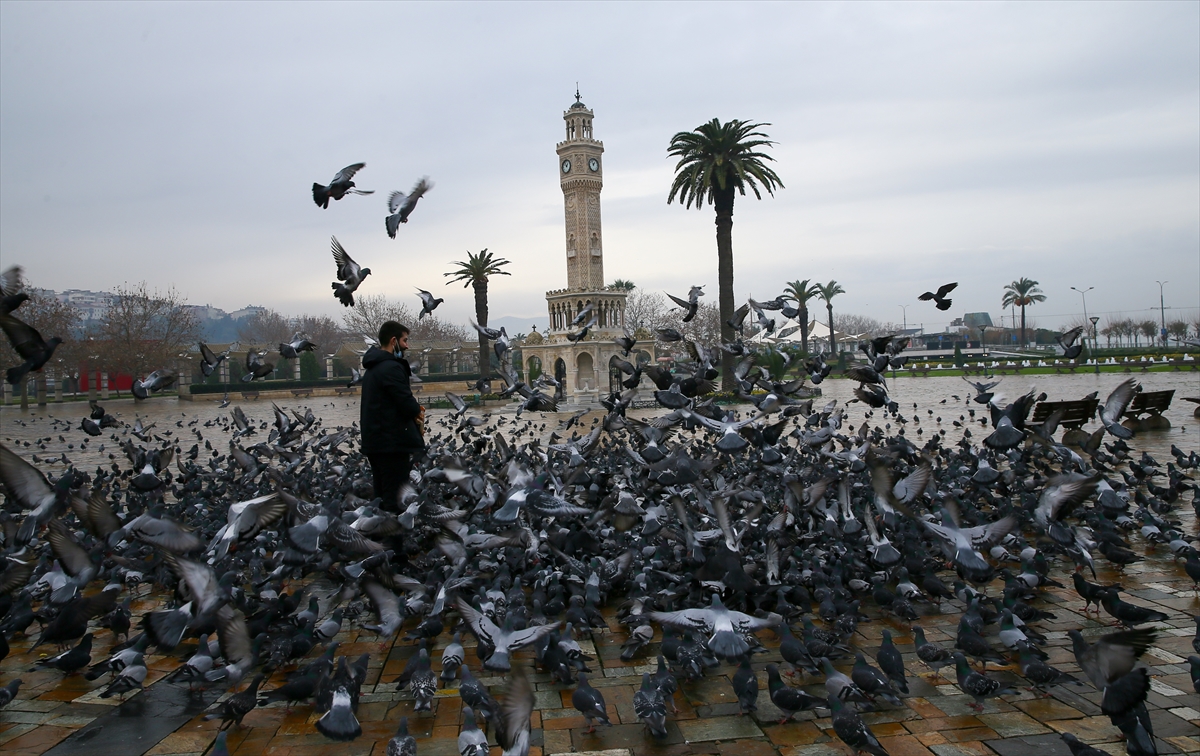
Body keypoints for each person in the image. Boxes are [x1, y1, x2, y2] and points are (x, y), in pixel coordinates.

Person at [360, 321, 425, 511]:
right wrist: (417, 410)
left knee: (381, 494)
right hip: (392, 444)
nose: (407, 345)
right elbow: (406, 403)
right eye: (405, 340)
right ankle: (392, 538)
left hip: (375, 442)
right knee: (395, 498)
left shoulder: (372, 367)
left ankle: (379, 535)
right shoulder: (390, 367)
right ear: (393, 340)